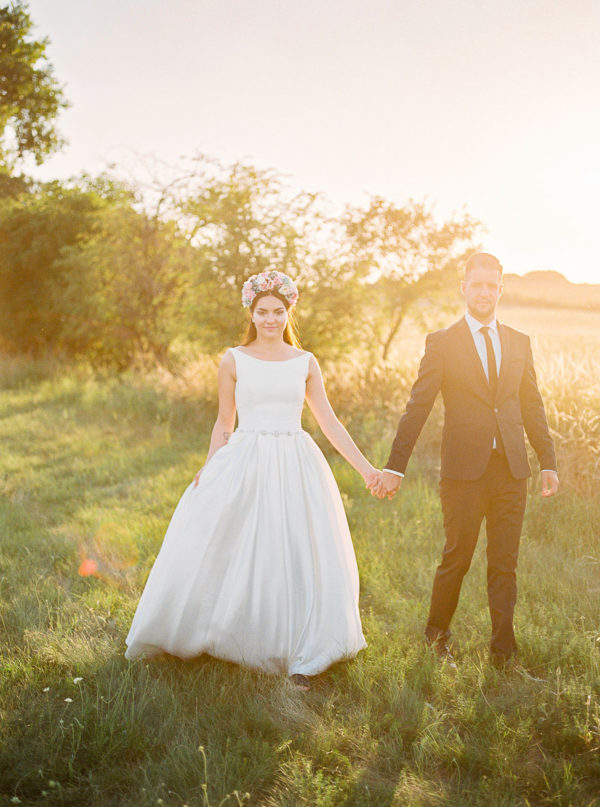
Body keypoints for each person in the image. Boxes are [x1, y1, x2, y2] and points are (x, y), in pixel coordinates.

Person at [125, 270, 375, 689]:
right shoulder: (234, 359)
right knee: (236, 542)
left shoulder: (305, 362)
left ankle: (300, 641)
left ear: (288, 311)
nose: (271, 319)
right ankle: (227, 628)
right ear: (252, 313)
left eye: (278, 312)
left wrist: (367, 469)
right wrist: (210, 466)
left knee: (296, 547)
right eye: (263, 312)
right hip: (247, 455)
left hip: (295, 459)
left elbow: (328, 421)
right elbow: (225, 422)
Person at [370, 252, 559, 667]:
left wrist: (548, 460)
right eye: (477, 285)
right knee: (457, 556)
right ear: (464, 288)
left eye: (492, 286)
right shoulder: (442, 342)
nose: (484, 293)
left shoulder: (519, 342)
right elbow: (417, 406)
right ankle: (436, 638)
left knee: (505, 563)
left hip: (512, 469)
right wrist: (394, 466)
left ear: (500, 289)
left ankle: (503, 653)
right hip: (463, 473)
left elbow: (533, 405)